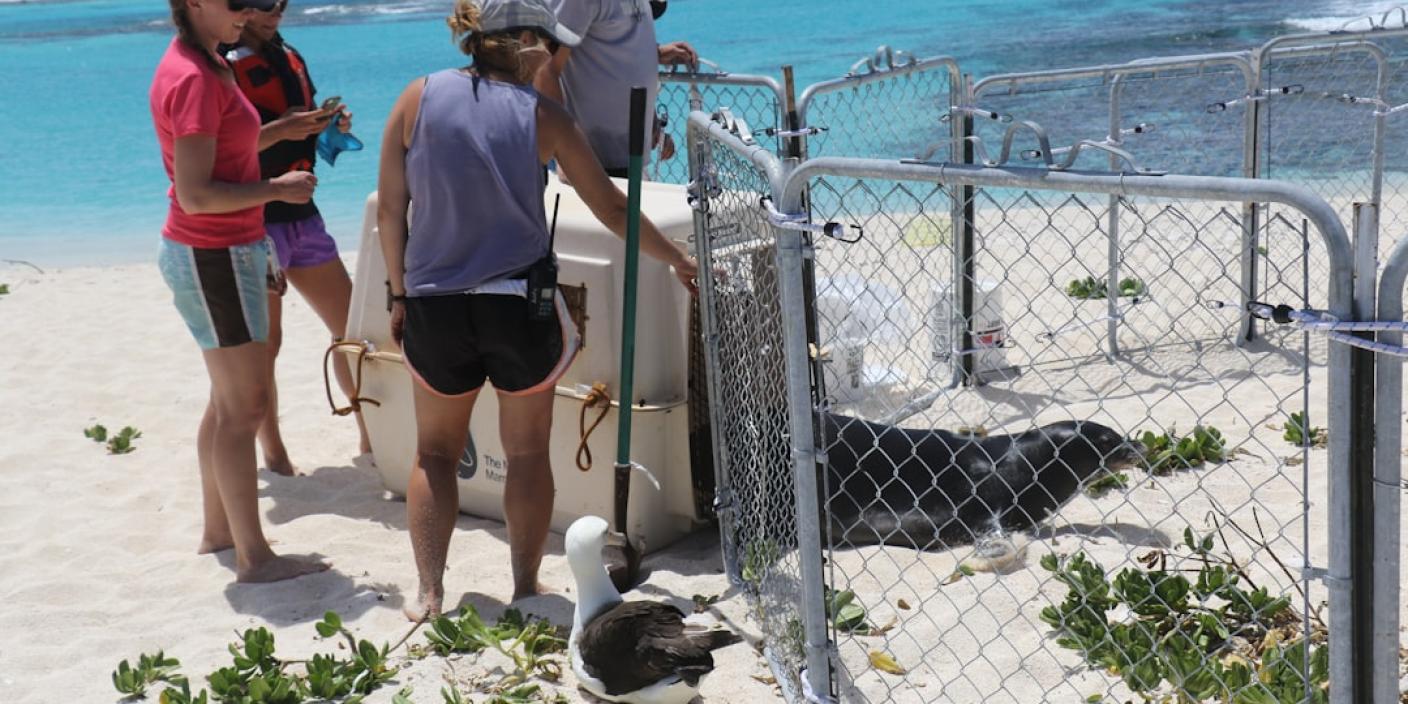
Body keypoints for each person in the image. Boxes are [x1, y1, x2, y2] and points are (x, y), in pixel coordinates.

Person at [377, 0, 698, 620]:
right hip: (518, 307)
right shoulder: (544, 115)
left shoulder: (416, 98)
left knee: (435, 454)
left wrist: (398, 293)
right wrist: (675, 258)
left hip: (435, 306)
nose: (552, 54)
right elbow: (610, 210)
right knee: (525, 454)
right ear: (521, 40)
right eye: (546, 43)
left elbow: (393, 208)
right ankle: (525, 586)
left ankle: (430, 593)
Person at [150, 0, 329, 582]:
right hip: (213, 253)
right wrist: (277, 188)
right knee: (243, 408)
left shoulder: (208, 61)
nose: (249, 11)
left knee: (227, 402)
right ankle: (254, 557)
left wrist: (282, 136)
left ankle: (219, 532)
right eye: (238, 2)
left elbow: (227, 149)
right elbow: (196, 193)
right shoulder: (195, 77)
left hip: (225, 250)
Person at [224, 0, 372, 475]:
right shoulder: (220, 65)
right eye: (265, 7)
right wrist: (284, 128)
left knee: (352, 329)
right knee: (267, 344)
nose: (276, 14)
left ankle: (371, 434)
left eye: (282, 5)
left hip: (303, 216)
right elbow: (220, 149)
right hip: (254, 220)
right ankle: (275, 453)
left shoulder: (289, 56)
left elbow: (301, 132)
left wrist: (327, 125)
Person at [534, 0, 697, 177]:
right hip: (590, 165)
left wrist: (655, 53)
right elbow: (544, 67)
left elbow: (615, 40)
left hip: (629, 160)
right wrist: (565, 153)